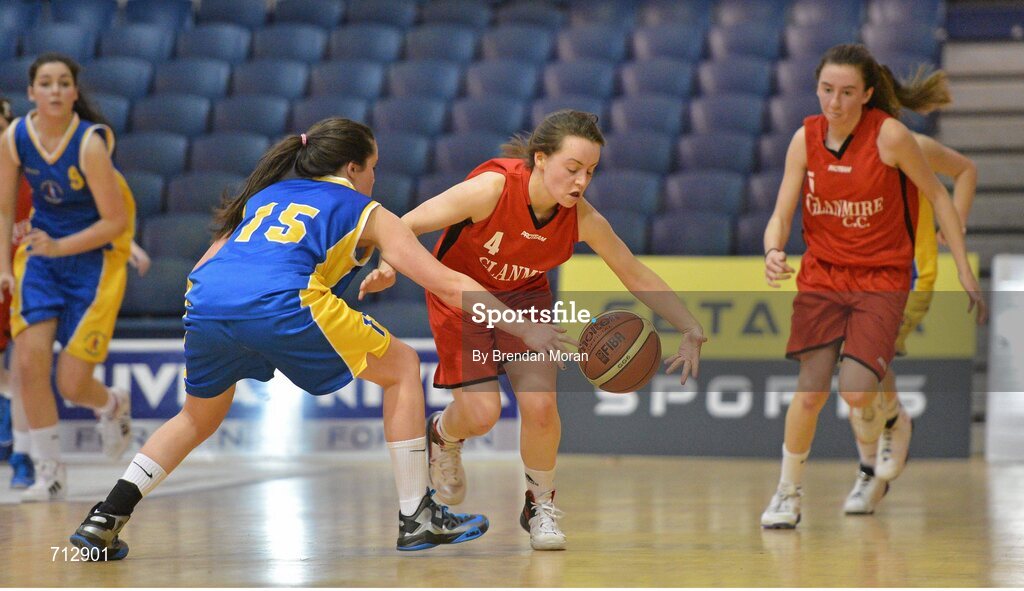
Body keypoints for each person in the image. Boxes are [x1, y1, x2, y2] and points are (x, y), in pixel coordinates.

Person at [69, 117, 571, 560]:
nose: (375, 177)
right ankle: (416, 516)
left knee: (196, 416)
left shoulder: (265, 198)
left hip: (206, 303)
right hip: (284, 301)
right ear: (353, 168)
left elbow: (205, 265)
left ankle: (106, 516)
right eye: (372, 166)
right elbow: (446, 281)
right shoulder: (362, 208)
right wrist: (525, 324)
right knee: (399, 369)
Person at [359, 109, 707, 550]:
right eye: (573, 168)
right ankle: (443, 435)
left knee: (541, 408)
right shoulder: (491, 189)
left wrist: (689, 325)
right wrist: (389, 264)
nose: (581, 181)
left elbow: (633, 272)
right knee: (481, 415)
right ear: (541, 159)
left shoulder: (582, 218)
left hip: (525, 297)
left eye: (591, 172)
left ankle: (540, 504)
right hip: (462, 298)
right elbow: (406, 224)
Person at [759, 44, 986, 529]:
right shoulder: (805, 138)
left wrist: (963, 266)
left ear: (866, 94)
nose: (834, 102)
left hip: (882, 277)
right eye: (825, 90)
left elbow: (941, 194)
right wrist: (773, 248)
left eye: (845, 92)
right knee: (810, 391)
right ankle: (787, 492)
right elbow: (781, 210)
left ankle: (893, 422)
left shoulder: (894, 138)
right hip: (822, 274)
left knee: (857, 390)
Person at [0, 54, 139, 502]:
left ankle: (111, 404)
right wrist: (5, 264)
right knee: (27, 364)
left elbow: (115, 221)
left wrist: (61, 246)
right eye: (46, 82)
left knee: (72, 384)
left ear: (74, 93)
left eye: (63, 83)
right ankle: (49, 472)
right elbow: (5, 208)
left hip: (92, 262)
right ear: (31, 92)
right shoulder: (16, 136)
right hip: (41, 258)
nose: (55, 90)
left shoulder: (90, 144)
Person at [842, 128, 977, 514]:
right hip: (855, 275)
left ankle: (883, 444)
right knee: (860, 382)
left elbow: (965, 170)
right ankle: (877, 455)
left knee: (864, 370)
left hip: (908, 275)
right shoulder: (832, 151)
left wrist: (956, 223)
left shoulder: (910, 145)